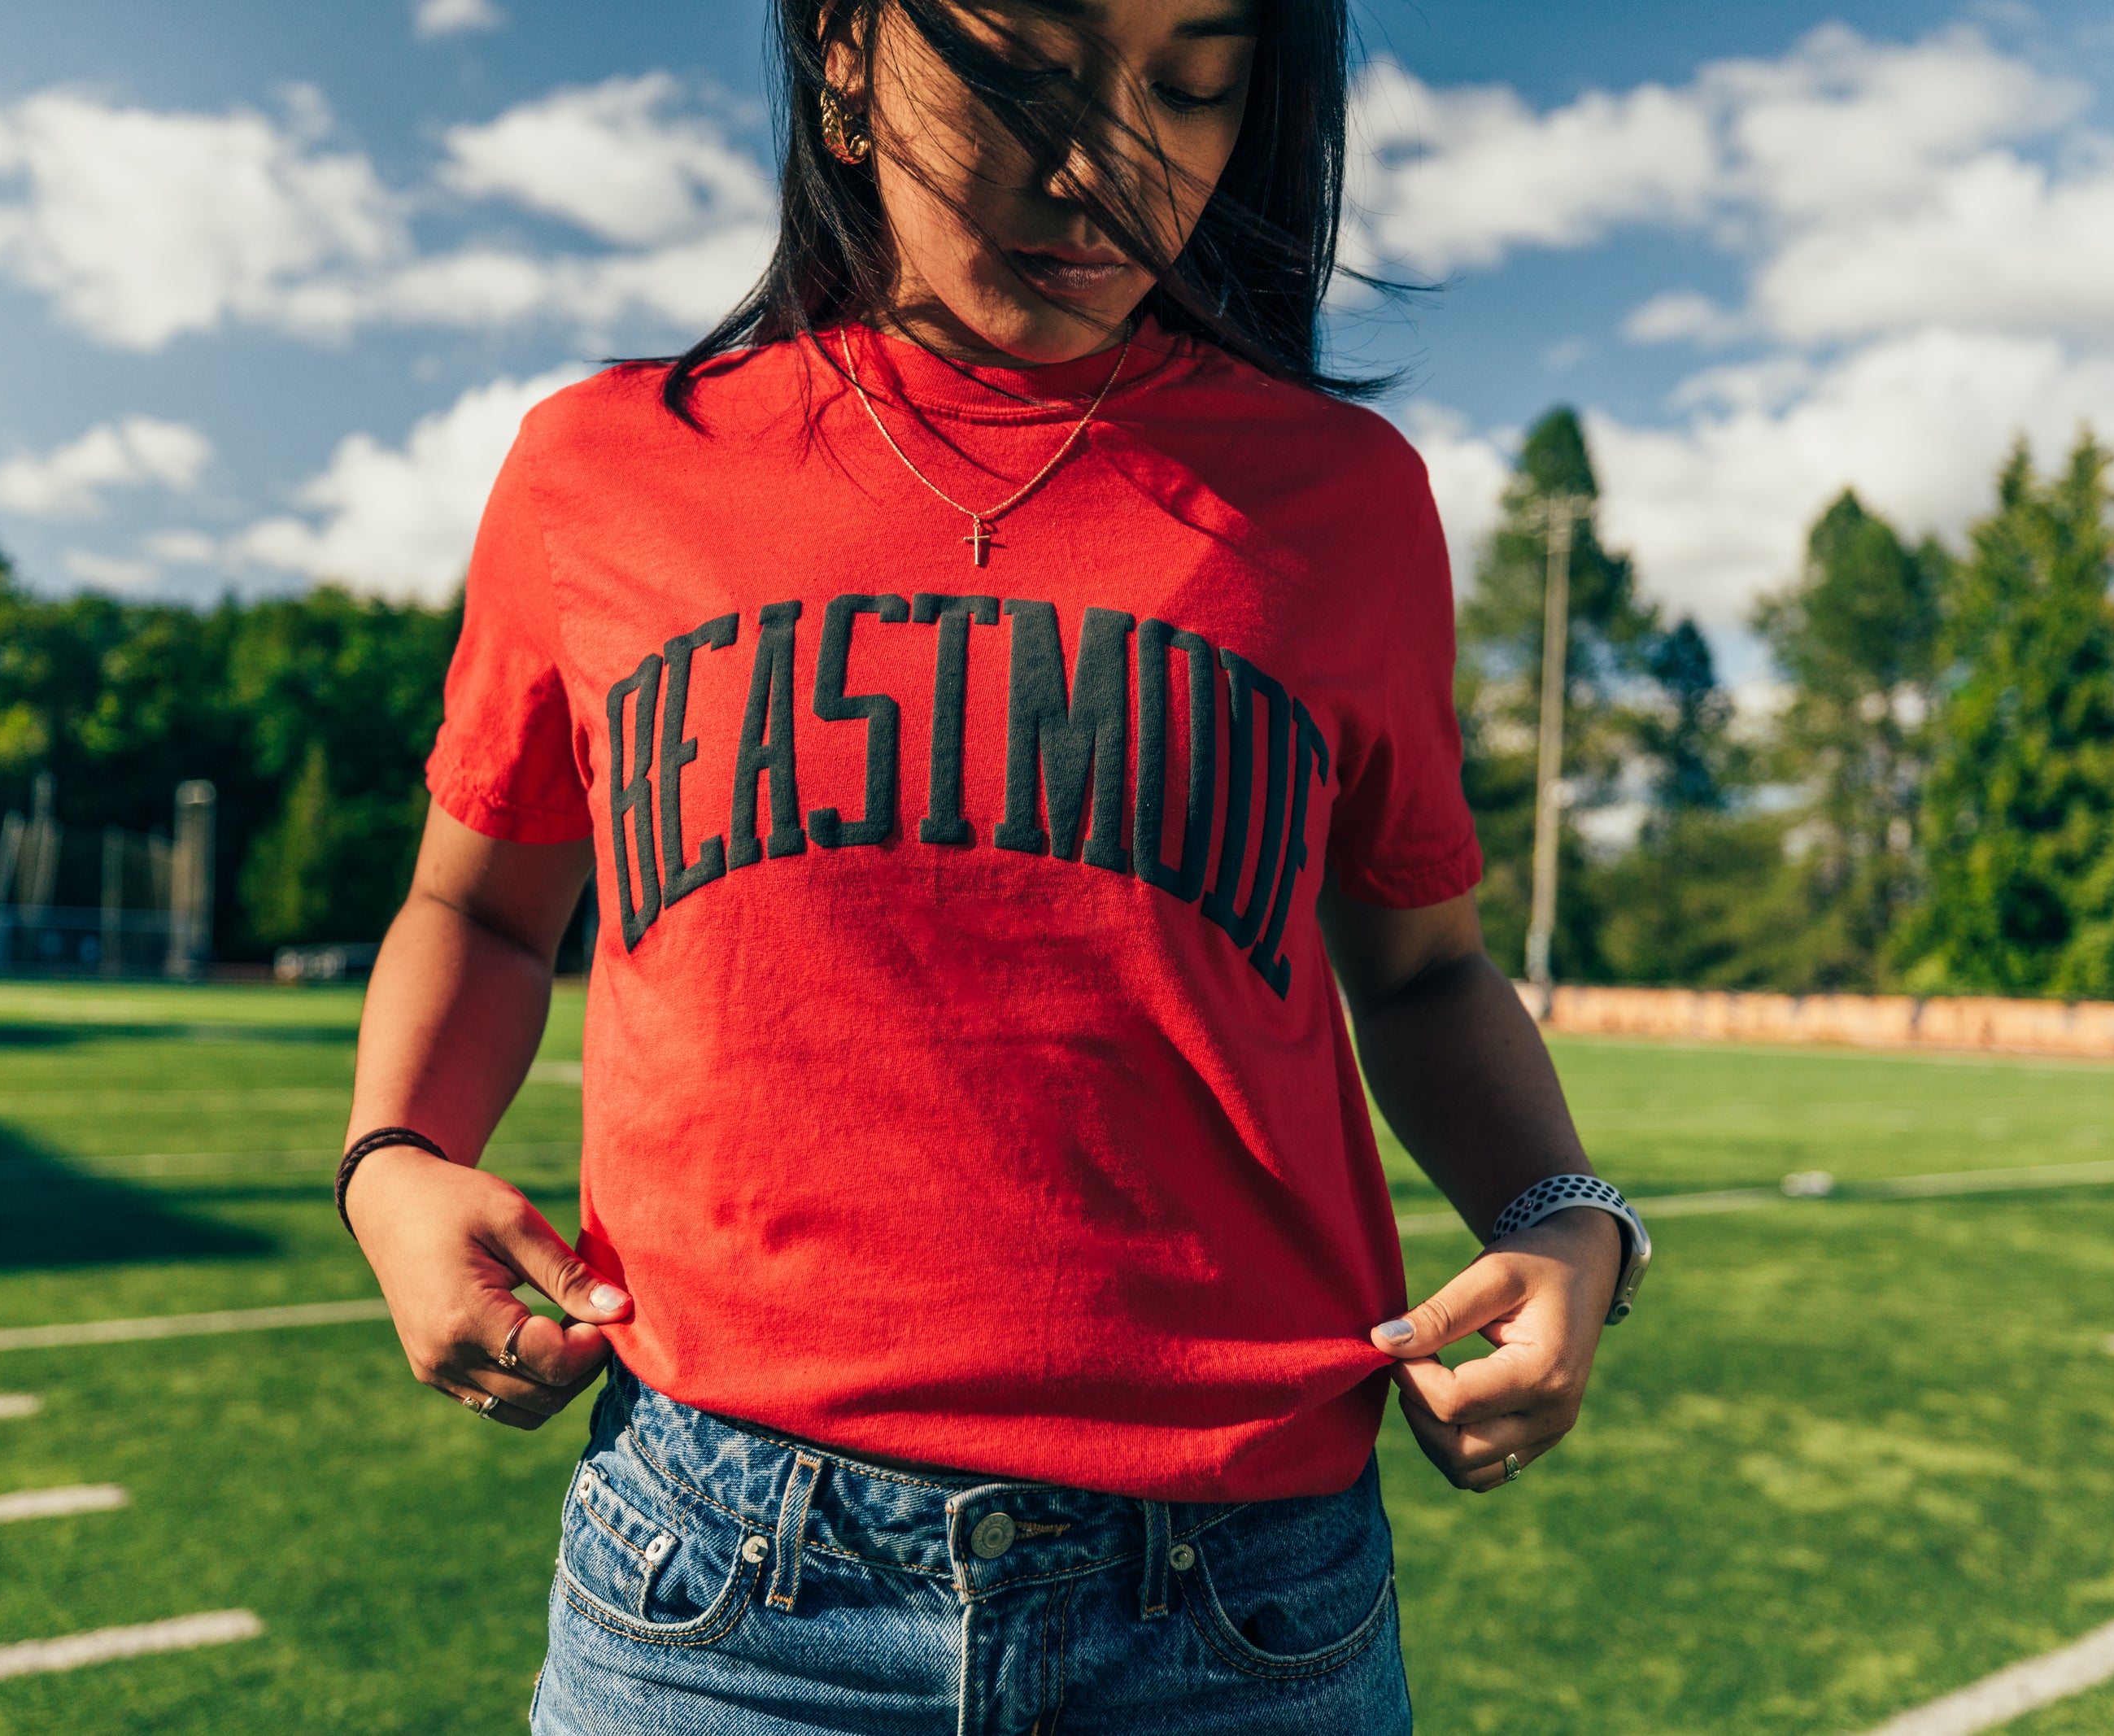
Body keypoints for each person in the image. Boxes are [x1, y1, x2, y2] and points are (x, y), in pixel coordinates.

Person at [338, 0, 1650, 1729]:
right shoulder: (602, 470)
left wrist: (1569, 1218)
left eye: (1195, 85)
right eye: (1018, 71)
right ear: (841, 51)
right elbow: (481, 906)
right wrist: (392, 1161)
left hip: (1242, 1606)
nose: (1109, 166)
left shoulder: (1344, 503)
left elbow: (1420, 969)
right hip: (722, 1590)